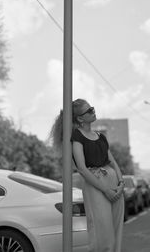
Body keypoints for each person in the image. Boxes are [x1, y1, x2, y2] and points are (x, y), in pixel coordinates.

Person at [50, 99, 124, 252]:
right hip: (96, 185)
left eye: (92, 108)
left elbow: (112, 161)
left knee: (117, 231)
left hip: (114, 182)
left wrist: (121, 182)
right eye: (89, 110)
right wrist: (106, 190)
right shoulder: (77, 136)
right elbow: (82, 169)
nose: (93, 111)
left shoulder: (101, 136)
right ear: (80, 118)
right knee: (102, 233)